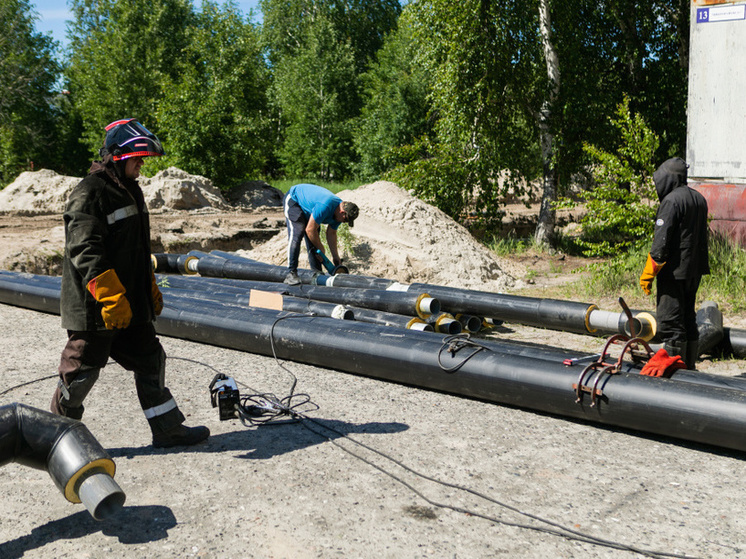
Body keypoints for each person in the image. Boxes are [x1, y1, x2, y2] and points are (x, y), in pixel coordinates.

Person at [50, 118, 210, 448]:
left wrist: (148, 284)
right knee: (81, 371)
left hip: (130, 303)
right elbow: (85, 249)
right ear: (119, 157)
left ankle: (167, 430)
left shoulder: (130, 190)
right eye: (138, 160)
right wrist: (109, 297)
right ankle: (53, 437)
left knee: (150, 358)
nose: (141, 167)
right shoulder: (89, 193)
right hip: (97, 307)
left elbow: (134, 247)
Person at [639, 157, 709, 369]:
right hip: (694, 271)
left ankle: (675, 373)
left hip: (674, 272)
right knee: (688, 318)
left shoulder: (671, 201)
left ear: (668, 178)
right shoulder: (699, 199)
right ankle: (690, 369)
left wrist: (649, 273)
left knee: (670, 322)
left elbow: (661, 242)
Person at [282, 183, 359, 285]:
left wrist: (335, 257)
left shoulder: (339, 215)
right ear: (342, 212)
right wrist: (321, 248)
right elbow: (310, 230)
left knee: (314, 240)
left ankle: (317, 274)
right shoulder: (326, 205)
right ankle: (291, 273)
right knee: (298, 232)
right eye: (345, 220)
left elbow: (331, 234)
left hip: (310, 210)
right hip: (294, 200)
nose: (343, 222)